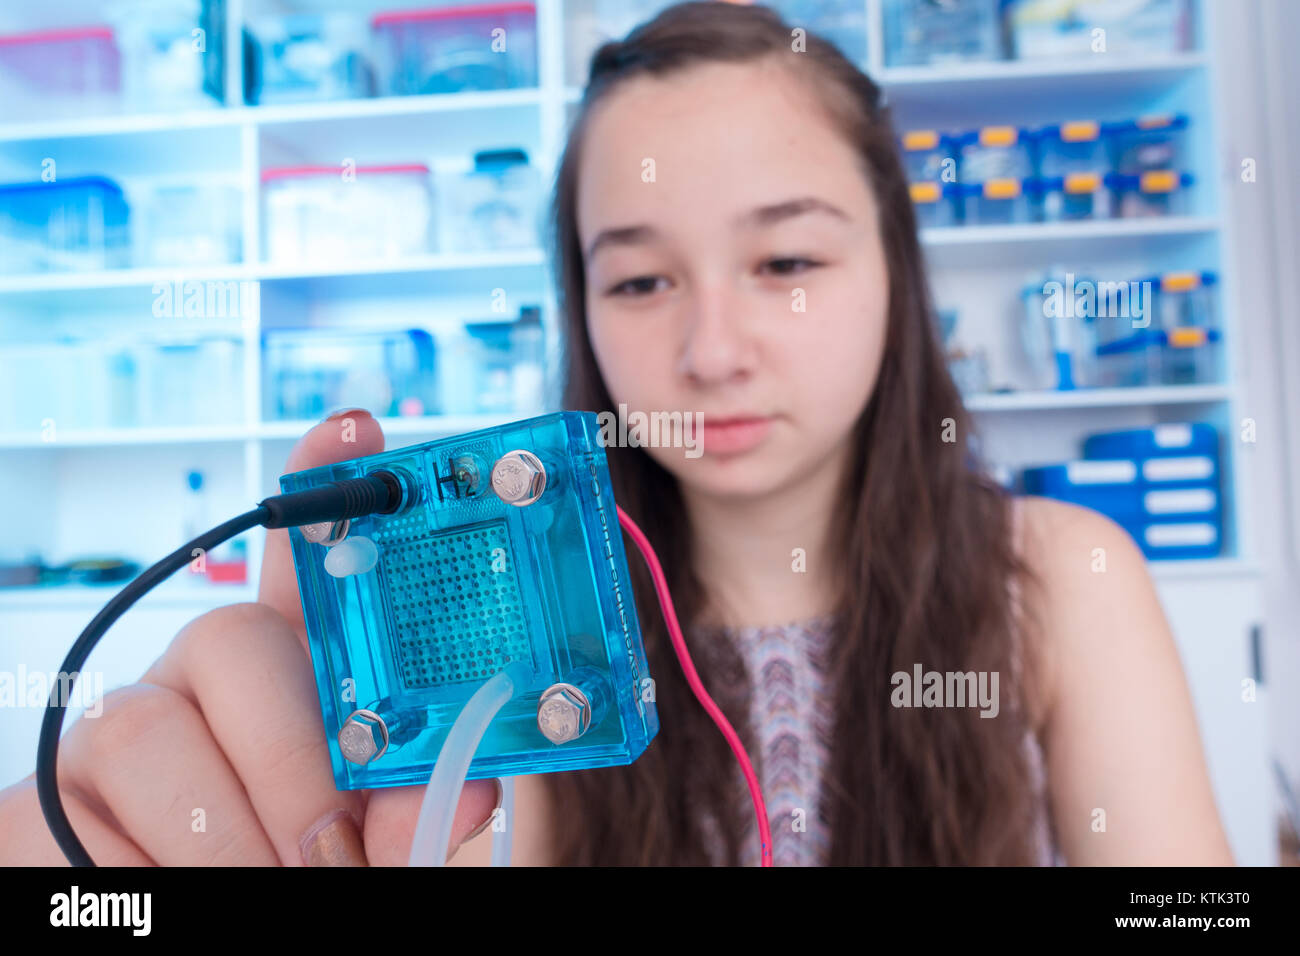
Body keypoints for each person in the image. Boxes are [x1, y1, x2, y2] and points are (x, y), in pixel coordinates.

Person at [0, 2, 1233, 866]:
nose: (711, 349)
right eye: (640, 281)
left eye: (785, 259)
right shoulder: (515, 635)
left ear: (896, 271)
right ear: (582, 308)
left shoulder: (1060, 579)